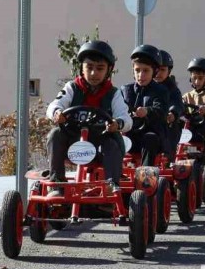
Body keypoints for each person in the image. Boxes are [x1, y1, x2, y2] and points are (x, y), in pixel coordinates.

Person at [45, 40, 132, 194]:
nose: (93, 73)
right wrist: (57, 113)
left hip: (100, 144)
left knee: (112, 143)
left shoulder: (113, 93)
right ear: (81, 68)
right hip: (73, 142)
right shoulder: (72, 87)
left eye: (100, 68)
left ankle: (111, 185)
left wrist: (117, 124)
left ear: (108, 70)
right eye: (89, 67)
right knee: (55, 134)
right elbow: (54, 105)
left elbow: (126, 119)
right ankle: (57, 184)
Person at [121, 44, 174, 167]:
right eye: (137, 70)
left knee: (149, 138)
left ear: (154, 71)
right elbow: (116, 108)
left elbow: (161, 111)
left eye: (146, 70)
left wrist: (147, 111)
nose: (141, 75)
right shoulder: (125, 90)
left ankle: (145, 178)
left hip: (152, 135)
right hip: (130, 134)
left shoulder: (161, 90)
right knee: (110, 139)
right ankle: (111, 177)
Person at [154, 49, 186, 161]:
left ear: (169, 71)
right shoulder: (146, 86)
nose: (158, 73)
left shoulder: (172, 89)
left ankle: (167, 160)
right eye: (156, 69)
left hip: (166, 122)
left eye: (162, 70)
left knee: (172, 128)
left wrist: (173, 113)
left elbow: (177, 103)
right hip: (147, 122)